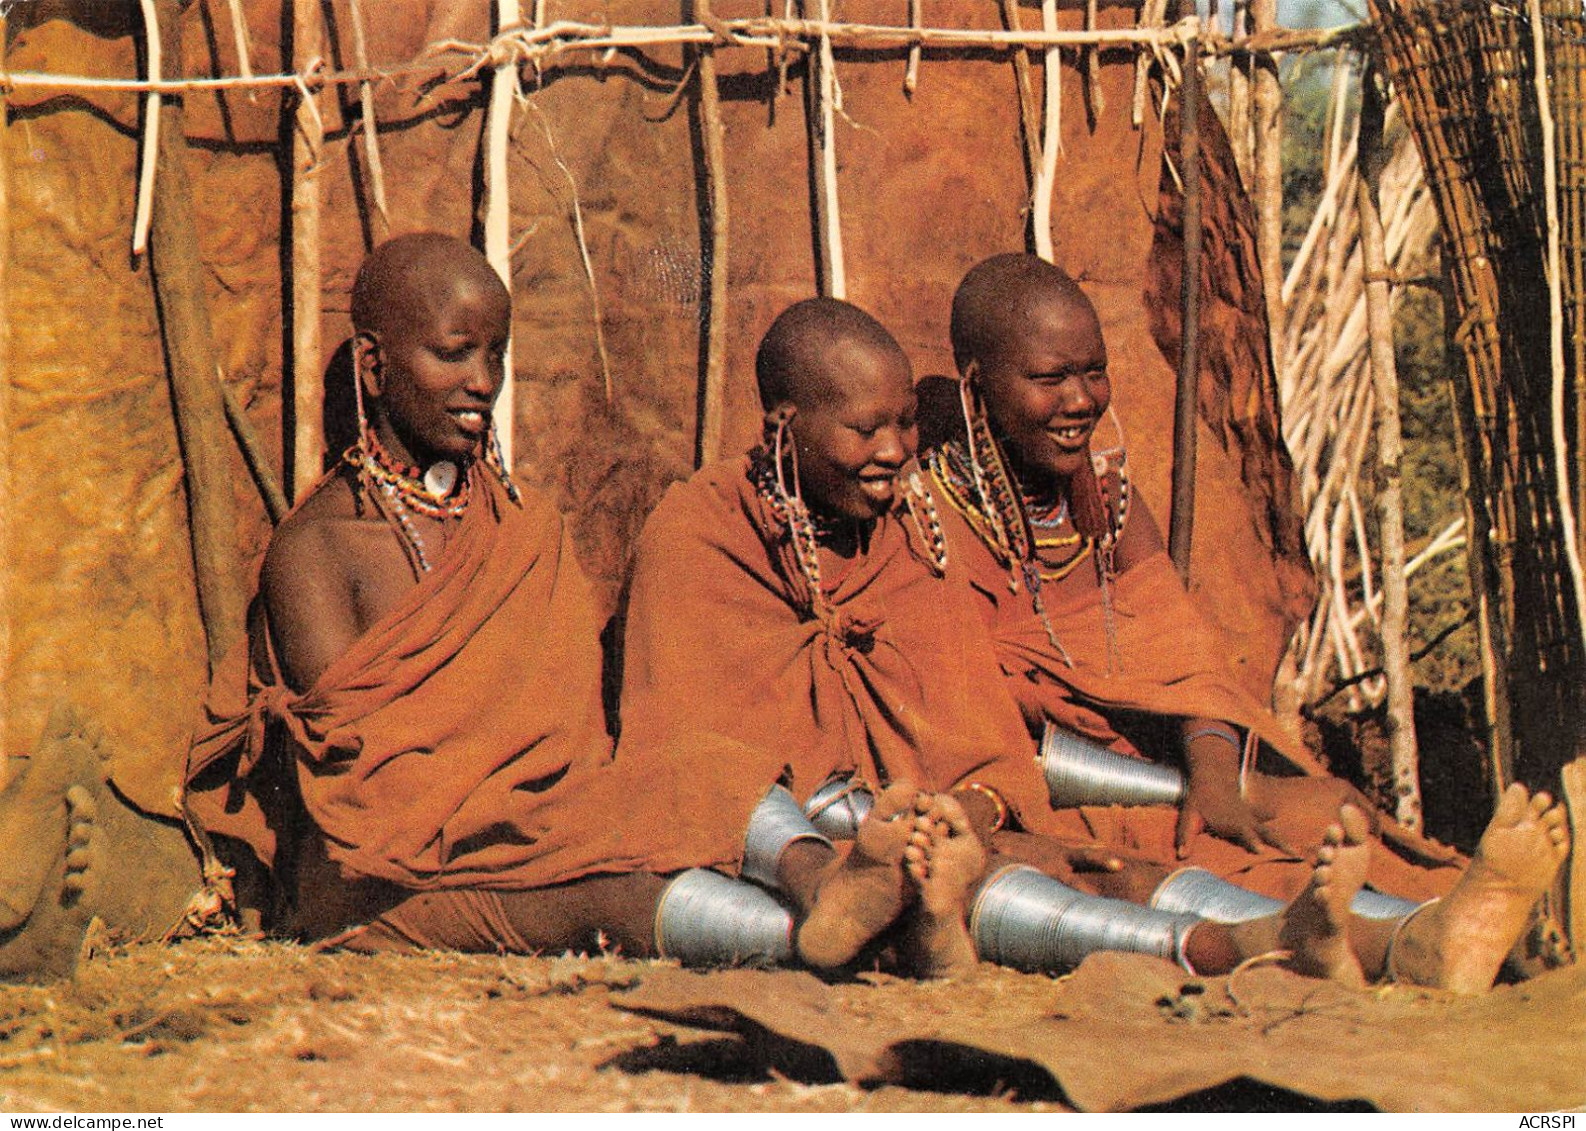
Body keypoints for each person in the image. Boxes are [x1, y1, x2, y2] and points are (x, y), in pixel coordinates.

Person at [179, 234, 953, 973]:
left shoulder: (520, 530)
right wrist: (534, 821)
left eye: (496, 355)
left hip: (530, 821)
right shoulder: (317, 549)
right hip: (388, 881)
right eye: (454, 353)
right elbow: (360, 792)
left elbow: (567, 745)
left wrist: (555, 813)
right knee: (614, 888)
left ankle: (829, 883)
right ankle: (850, 938)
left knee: (701, 768)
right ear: (377, 367)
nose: (483, 380)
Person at [620, 294, 1432, 987]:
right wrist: (855, 841)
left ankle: (1400, 937)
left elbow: (983, 746)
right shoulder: (701, 530)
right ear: (782, 425)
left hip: (922, 826)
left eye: (905, 423)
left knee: (1097, 865)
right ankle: (1250, 946)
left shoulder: (911, 532)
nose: (897, 452)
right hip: (787, 840)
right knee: (1029, 877)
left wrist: (967, 811)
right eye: (866, 429)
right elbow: (686, 754)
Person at [917, 251, 1572, 991]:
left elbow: (1186, 662)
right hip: (1040, 799)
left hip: (1156, 774)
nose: (1080, 399)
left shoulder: (1110, 502)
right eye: (1049, 379)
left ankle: (1472, 921)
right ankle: (1411, 943)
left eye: (1092, 371)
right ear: (979, 388)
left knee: (1317, 812)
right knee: (1169, 866)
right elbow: (964, 731)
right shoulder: (929, 523)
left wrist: (1215, 775)